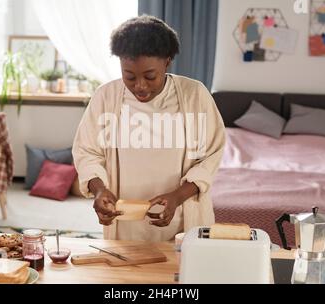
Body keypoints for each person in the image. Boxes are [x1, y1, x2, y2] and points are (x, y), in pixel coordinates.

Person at [72, 15, 225, 241]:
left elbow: (210, 157)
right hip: (124, 227)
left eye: (150, 76)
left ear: (168, 61)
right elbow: (87, 152)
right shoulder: (106, 97)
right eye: (129, 76)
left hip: (183, 222)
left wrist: (177, 197)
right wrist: (99, 189)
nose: (140, 86)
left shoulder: (195, 96)